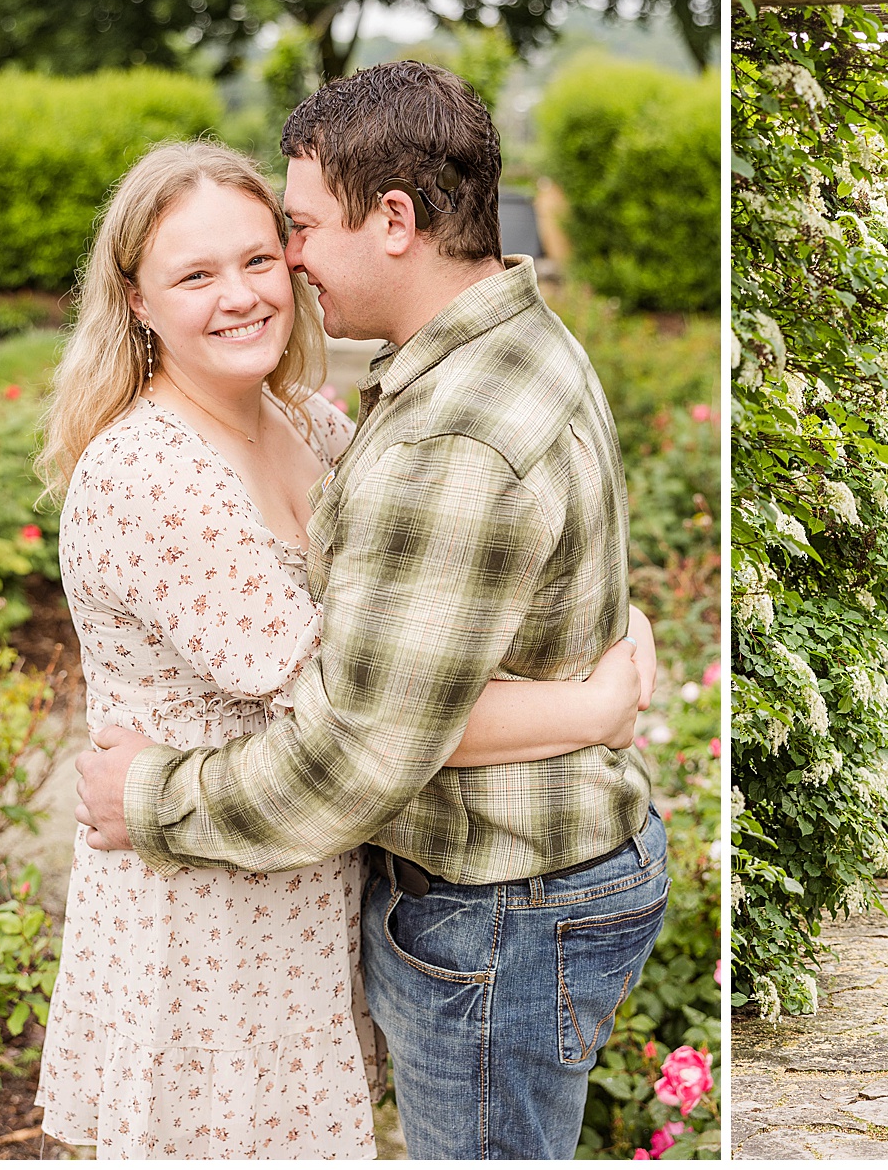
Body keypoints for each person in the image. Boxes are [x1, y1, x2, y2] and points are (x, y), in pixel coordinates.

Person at [73, 62, 671, 1160]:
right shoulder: (508, 344)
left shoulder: (394, 426)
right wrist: (591, 704)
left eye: (279, 238)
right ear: (138, 300)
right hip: (229, 915)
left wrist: (151, 795)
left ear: (393, 218)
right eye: (198, 270)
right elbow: (366, 709)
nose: (278, 272)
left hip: (486, 895)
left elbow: (354, 741)